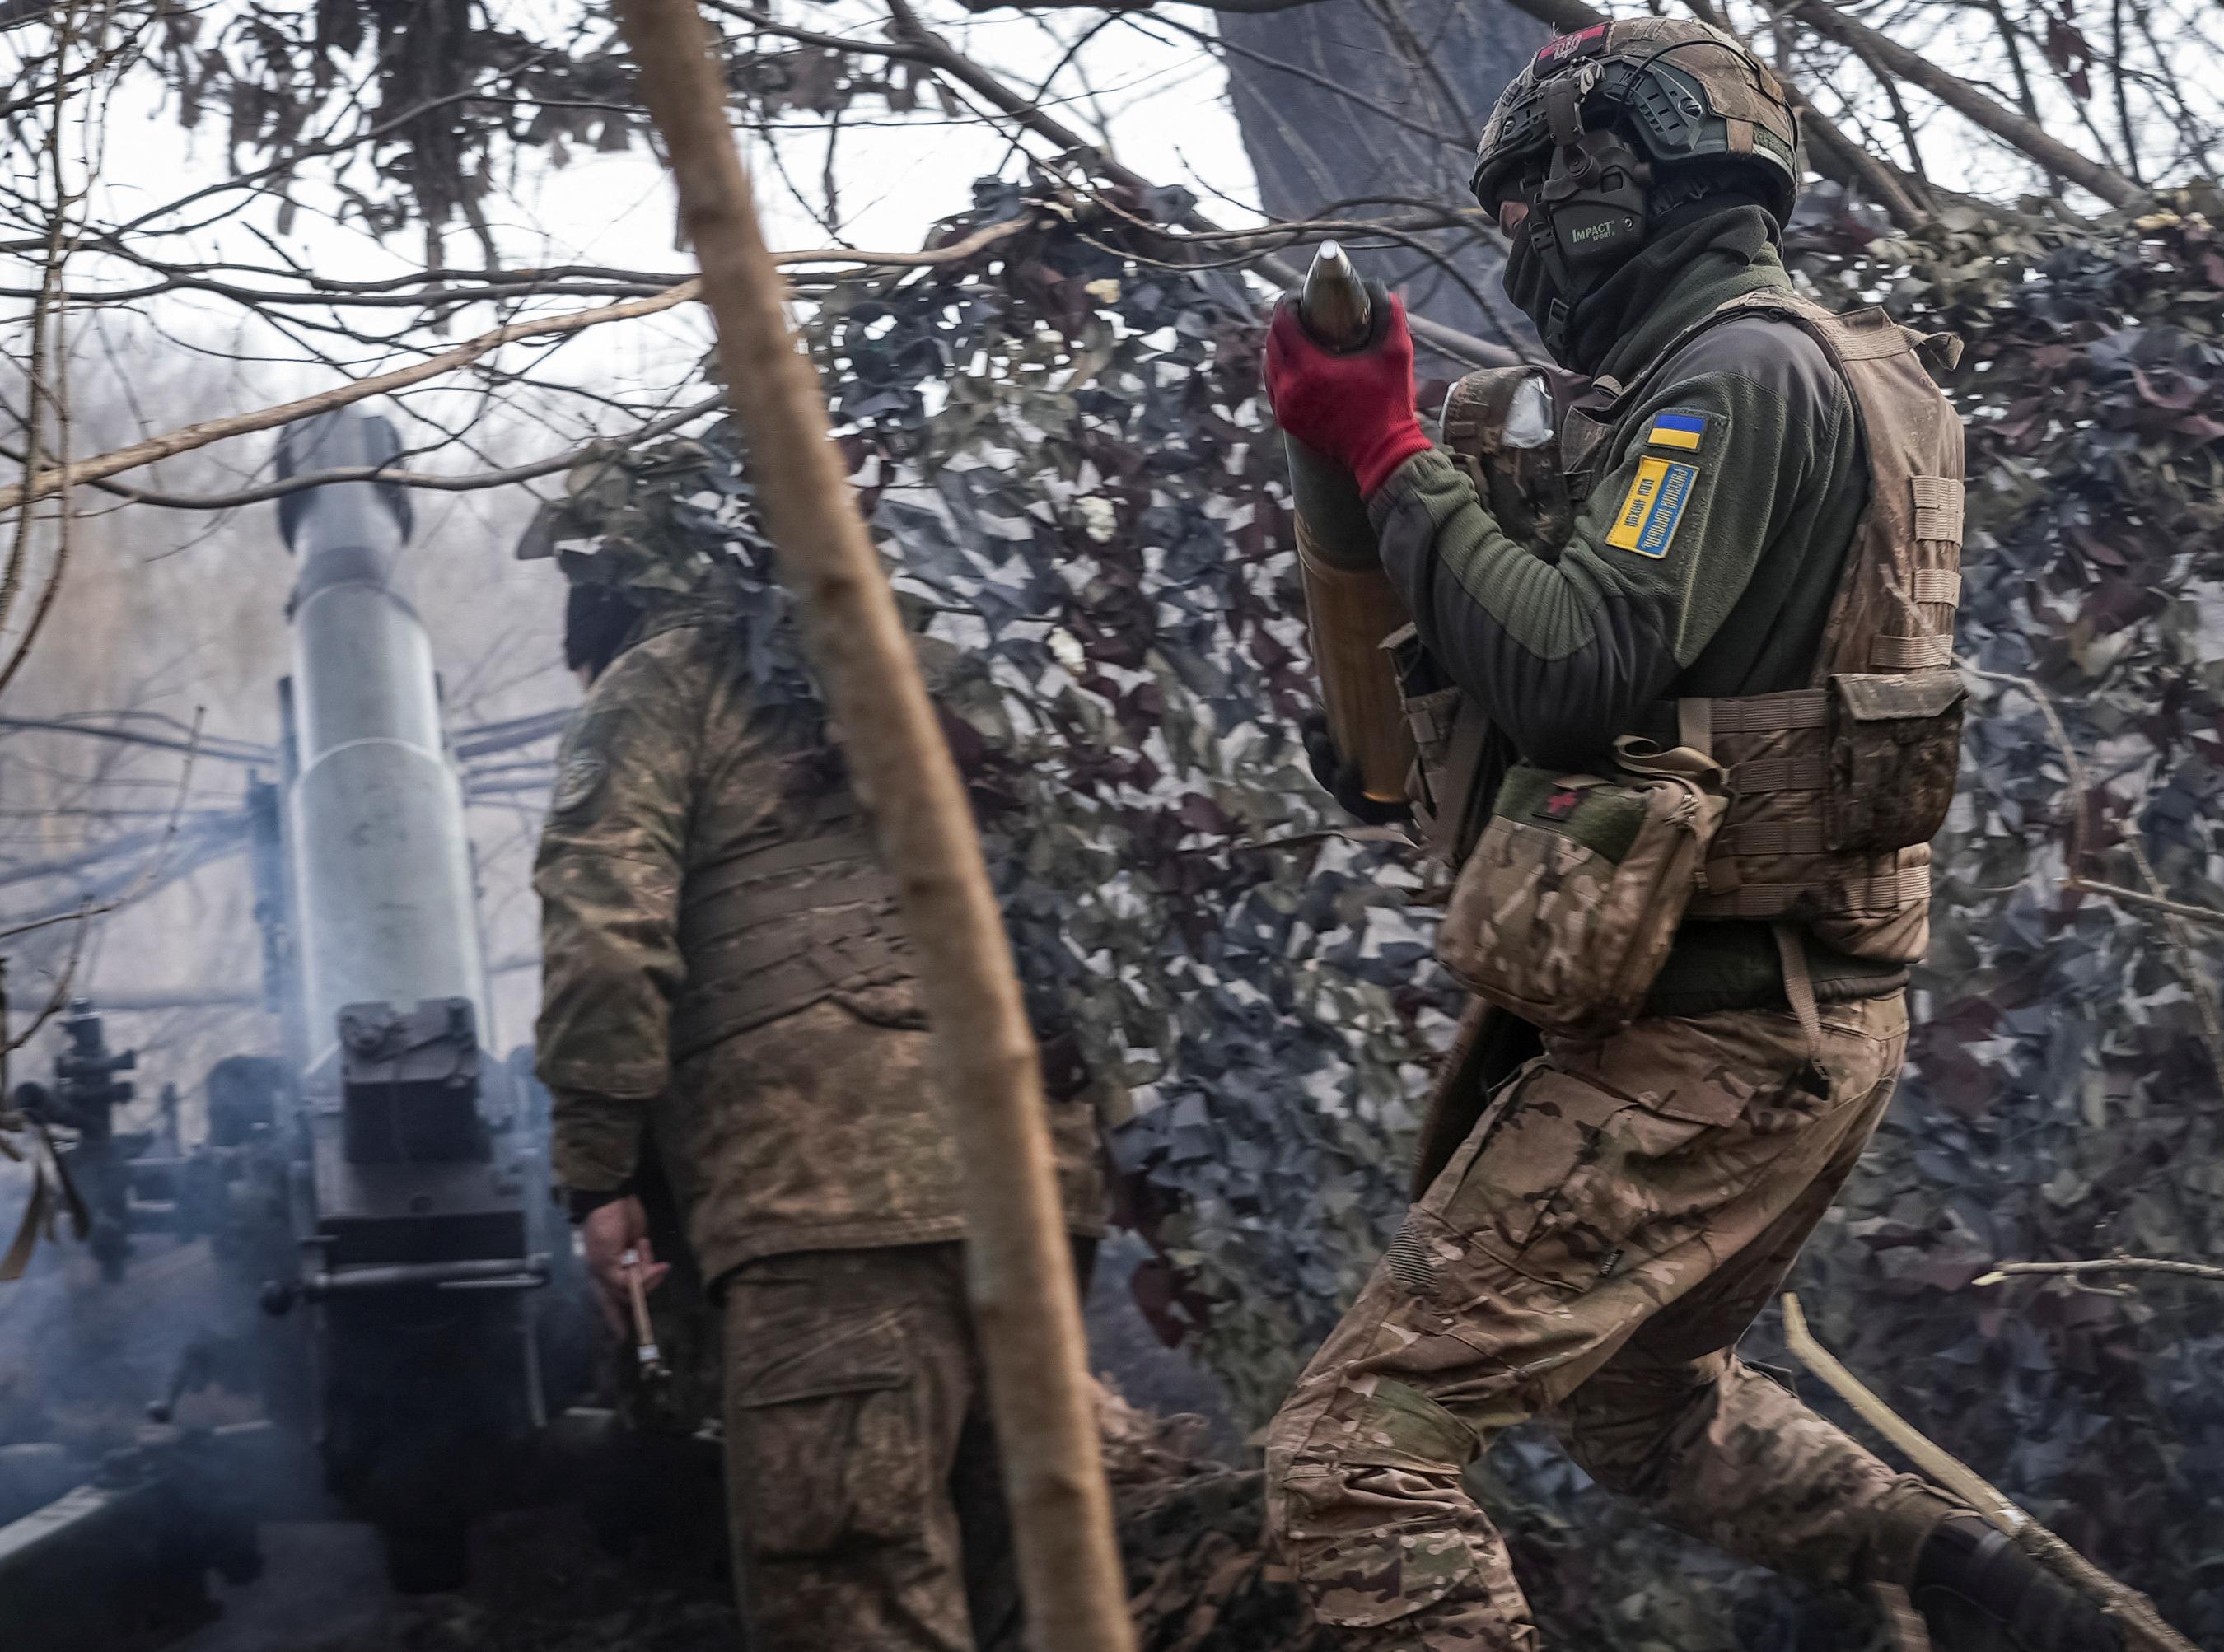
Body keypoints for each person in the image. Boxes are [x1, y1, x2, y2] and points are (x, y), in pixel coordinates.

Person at [1258, 19, 2119, 1652]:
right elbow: (1630, 688)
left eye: (1525, 203)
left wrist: (1383, 447)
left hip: (1712, 1040)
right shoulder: (1814, 371)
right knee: (1637, 1413)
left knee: (1355, 1459)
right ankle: (1993, 1593)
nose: (1513, 245)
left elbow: (1583, 666)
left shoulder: (1735, 374)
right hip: (1797, 1022)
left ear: (1608, 184)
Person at [534, 548, 1108, 1652]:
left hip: (833, 1197)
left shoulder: (665, 677)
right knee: (1028, 1584)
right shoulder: (932, 655)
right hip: (1040, 1178)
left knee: (853, 1583)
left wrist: (597, 1174)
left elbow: (604, 938)